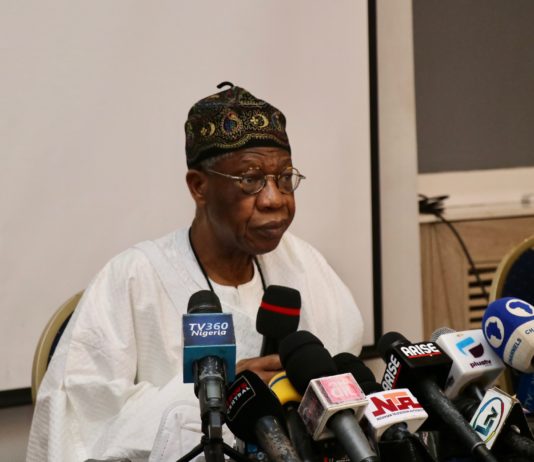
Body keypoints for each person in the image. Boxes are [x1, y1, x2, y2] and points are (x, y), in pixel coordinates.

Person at [27, 83, 364, 462]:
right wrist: (217, 390)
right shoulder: (133, 277)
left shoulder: (304, 264)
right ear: (199, 187)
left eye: (285, 178)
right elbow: (81, 423)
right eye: (251, 179)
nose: (275, 199)